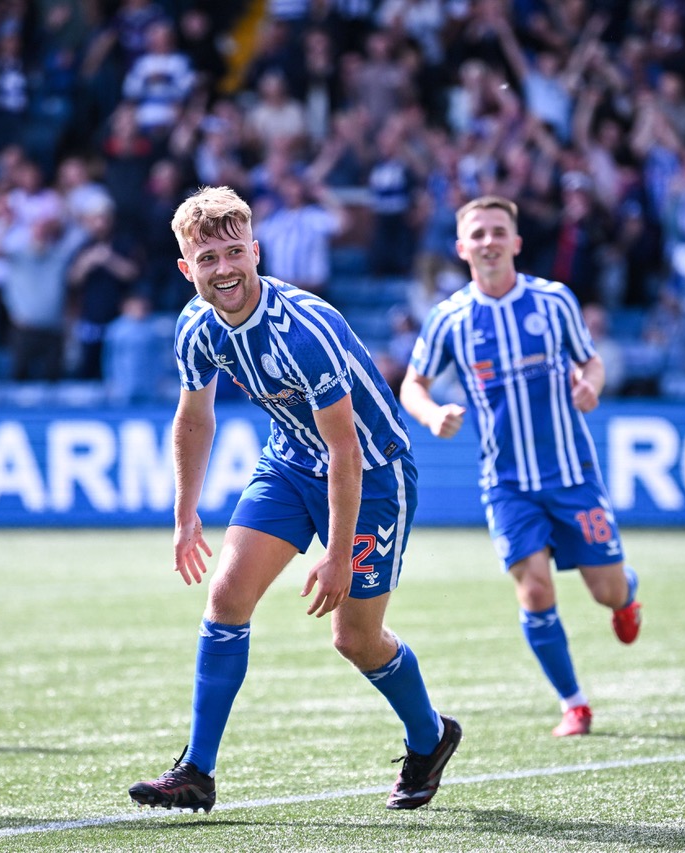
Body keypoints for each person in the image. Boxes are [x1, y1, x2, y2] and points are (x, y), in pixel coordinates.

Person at [128, 186, 460, 813]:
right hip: (288, 461)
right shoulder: (194, 325)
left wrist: (336, 555)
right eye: (208, 259)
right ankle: (196, 770)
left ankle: (431, 736)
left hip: (373, 475)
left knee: (354, 639)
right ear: (185, 267)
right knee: (226, 597)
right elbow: (194, 418)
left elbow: (347, 451)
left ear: (255, 250)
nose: (224, 269)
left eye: (234, 253)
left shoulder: (304, 330)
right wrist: (184, 515)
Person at [399, 195, 642, 738]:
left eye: (497, 231)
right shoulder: (449, 319)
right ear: (462, 248)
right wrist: (433, 413)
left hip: (573, 474)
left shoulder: (554, 302)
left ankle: (626, 592)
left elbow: (591, 360)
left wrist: (590, 386)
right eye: (477, 234)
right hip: (506, 482)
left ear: (516, 242)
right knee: (534, 589)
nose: (488, 241)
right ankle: (573, 703)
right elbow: (412, 385)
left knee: (605, 590)